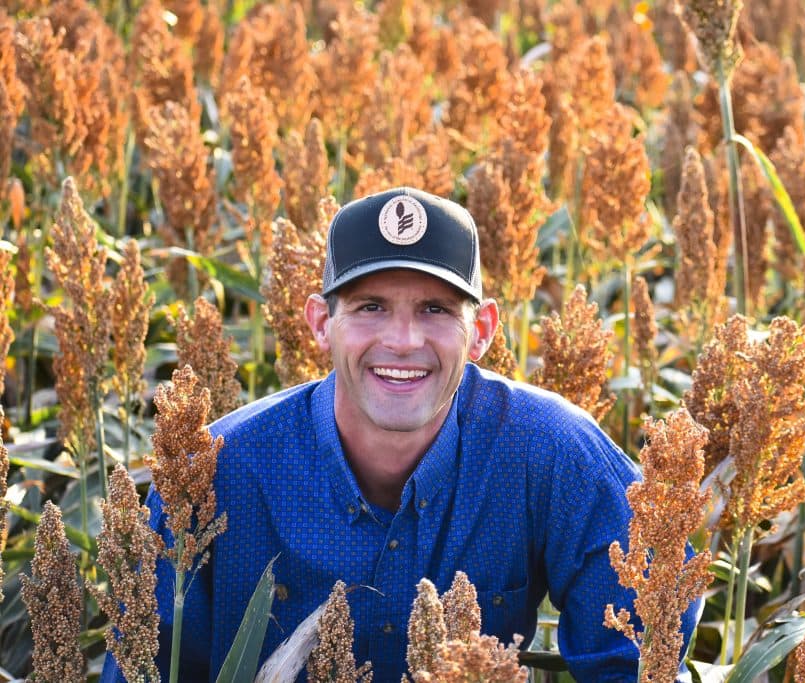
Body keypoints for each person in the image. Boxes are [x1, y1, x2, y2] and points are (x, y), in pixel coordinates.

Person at [102, 187, 701, 682]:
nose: (404, 340)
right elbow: (142, 667)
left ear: (484, 329)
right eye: (370, 307)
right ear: (319, 323)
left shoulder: (547, 450)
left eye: (436, 310)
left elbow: (645, 636)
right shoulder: (221, 470)